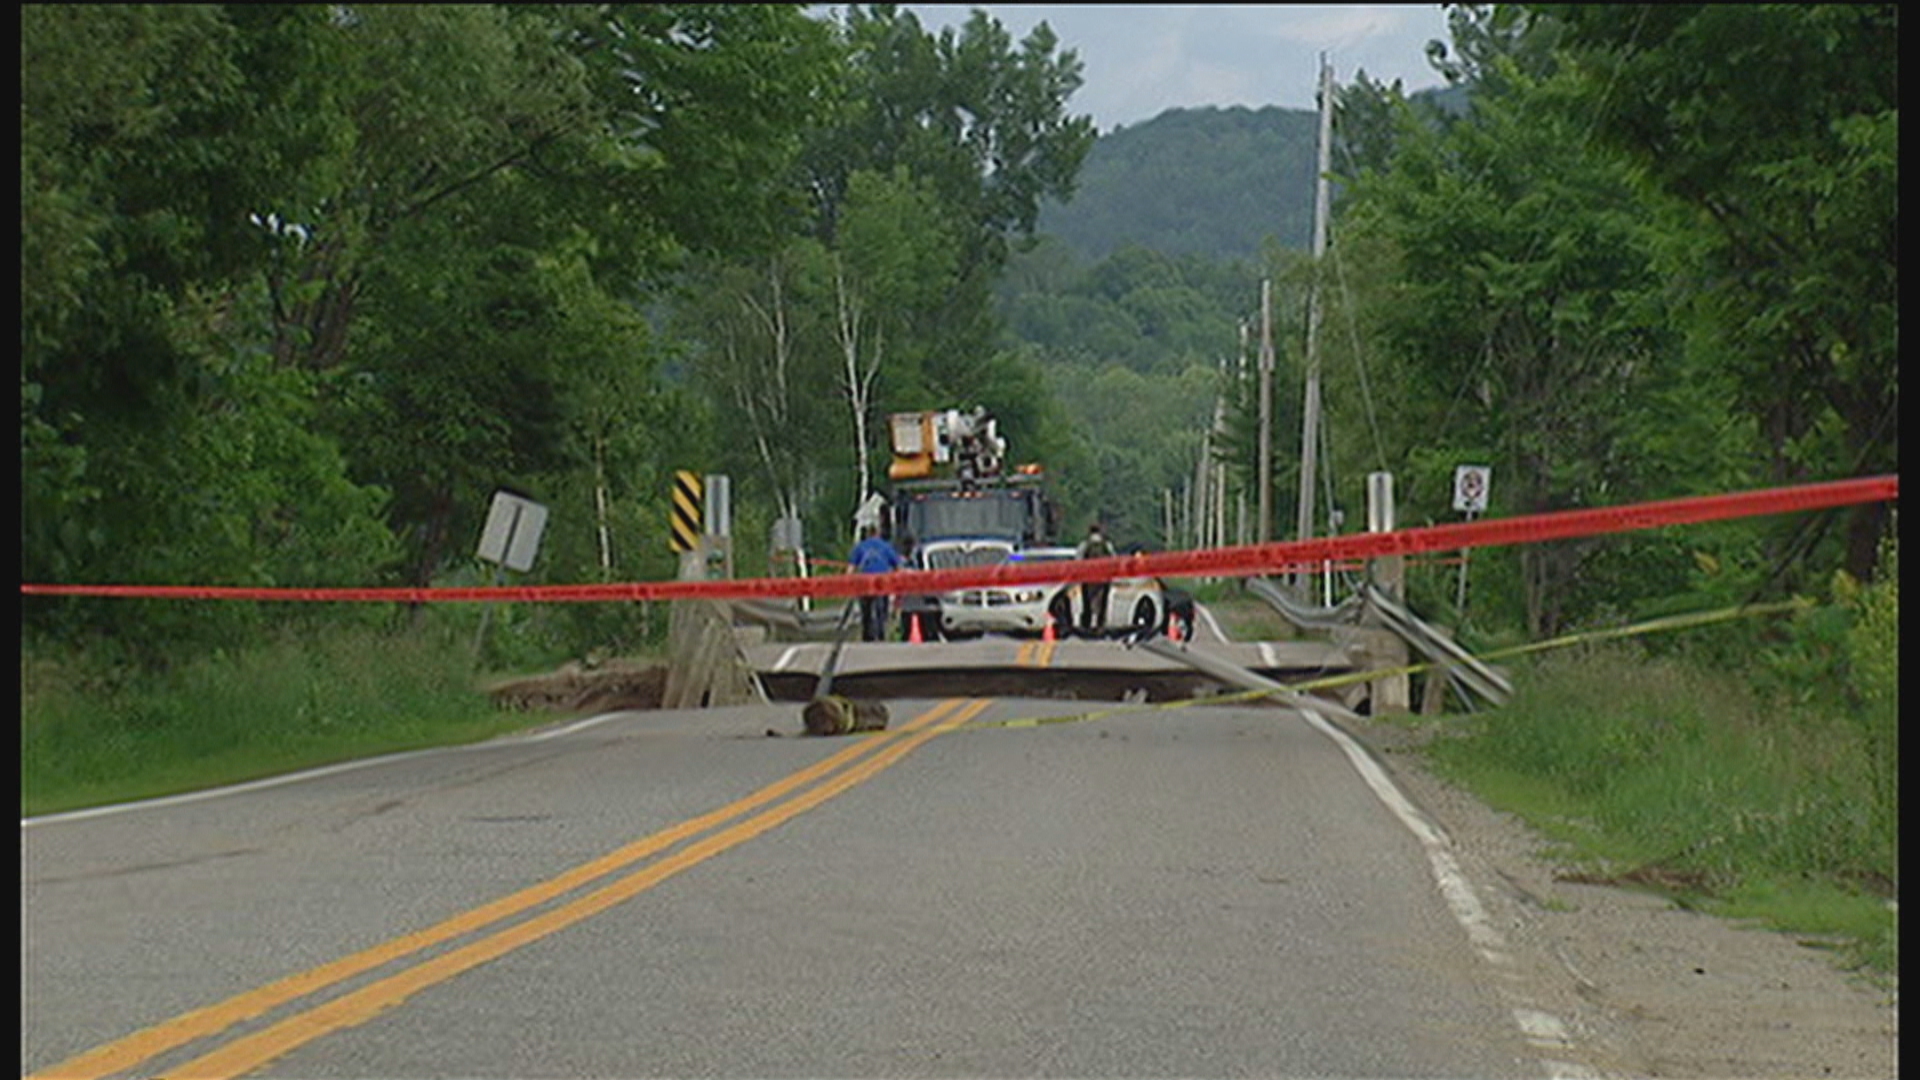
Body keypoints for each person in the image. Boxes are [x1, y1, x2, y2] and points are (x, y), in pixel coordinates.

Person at [848, 525, 904, 642]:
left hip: (865, 581)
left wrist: (849, 583)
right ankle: (881, 633)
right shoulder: (886, 546)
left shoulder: (860, 547)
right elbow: (897, 566)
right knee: (881, 608)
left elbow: (851, 569)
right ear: (878, 533)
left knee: (866, 610)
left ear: (868, 534)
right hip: (882, 581)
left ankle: (867, 634)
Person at [1077, 522, 1115, 636]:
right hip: (1104, 578)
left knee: (1087, 602)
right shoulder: (1106, 545)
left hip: (1087, 578)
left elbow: (1078, 560)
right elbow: (1113, 559)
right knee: (1103, 602)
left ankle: (1086, 624)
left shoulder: (1084, 545)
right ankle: (1100, 625)